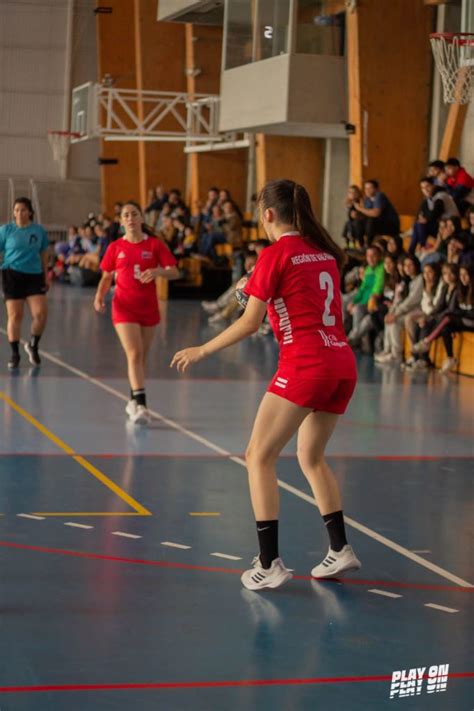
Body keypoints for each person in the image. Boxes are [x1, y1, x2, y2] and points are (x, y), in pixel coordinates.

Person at [171, 179, 360, 591]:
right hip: (341, 363)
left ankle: (269, 561)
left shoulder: (276, 254)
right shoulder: (323, 254)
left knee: (257, 456)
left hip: (306, 363)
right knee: (310, 457)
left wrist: (203, 349)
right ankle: (339, 548)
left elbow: (250, 323)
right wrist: (251, 292)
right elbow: (292, 303)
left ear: (268, 214)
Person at [94, 201, 180, 424]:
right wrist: (99, 296)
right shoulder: (115, 248)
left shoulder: (154, 245)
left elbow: (175, 272)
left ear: (141, 219)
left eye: (134, 214)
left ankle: (133, 399)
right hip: (123, 307)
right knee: (133, 353)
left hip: (148, 307)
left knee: (141, 357)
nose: (130, 218)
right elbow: (106, 276)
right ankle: (141, 405)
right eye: (126, 215)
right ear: (122, 222)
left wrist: (157, 271)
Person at [0, 197, 49, 369]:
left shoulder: (39, 231)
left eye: (22, 210)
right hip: (12, 275)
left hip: (34, 276)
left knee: (41, 314)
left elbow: (43, 253)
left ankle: (33, 345)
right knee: (15, 315)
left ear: (29, 212)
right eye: (16, 210)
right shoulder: (6, 230)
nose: (19, 213)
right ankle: (15, 354)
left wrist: (46, 274)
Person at [409, 177, 459, 254]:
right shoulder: (428, 198)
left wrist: (426, 218)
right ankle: (411, 251)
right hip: (440, 225)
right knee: (417, 224)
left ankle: (421, 248)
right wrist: (425, 217)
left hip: (450, 226)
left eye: (427, 186)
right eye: (422, 188)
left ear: (433, 186)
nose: (425, 190)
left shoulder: (441, 196)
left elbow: (435, 214)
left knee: (420, 225)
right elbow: (421, 213)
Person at [353, 180, 400, 245]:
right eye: (366, 188)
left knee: (371, 220)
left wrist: (360, 208)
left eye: (370, 188)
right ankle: (361, 246)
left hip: (391, 226)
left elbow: (376, 213)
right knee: (357, 221)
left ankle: (368, 246)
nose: (367, 190)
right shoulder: (367, 199)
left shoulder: (380, 196)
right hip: (378, 225)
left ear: (376, 189)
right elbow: (366, 213)